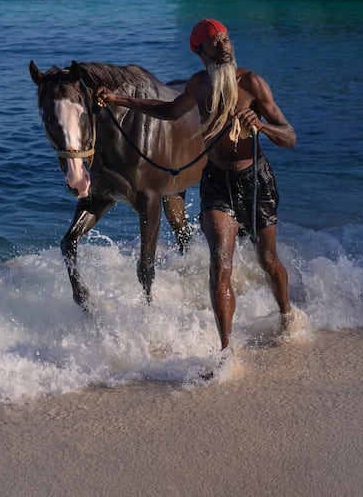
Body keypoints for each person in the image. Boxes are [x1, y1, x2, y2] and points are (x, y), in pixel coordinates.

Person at [95, 19, 298, 360]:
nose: (223, 46)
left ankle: (287, 316)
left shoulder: (251, 83)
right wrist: (120, 99)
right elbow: (170, 111)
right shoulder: (199, 86)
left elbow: (290, 135)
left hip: (256, 180)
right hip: (217, 183)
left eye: (225, 39)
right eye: (214, 43)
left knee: (268, 260)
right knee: (221, 263)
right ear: (199, 52)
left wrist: (261, 125)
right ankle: (226, 351)